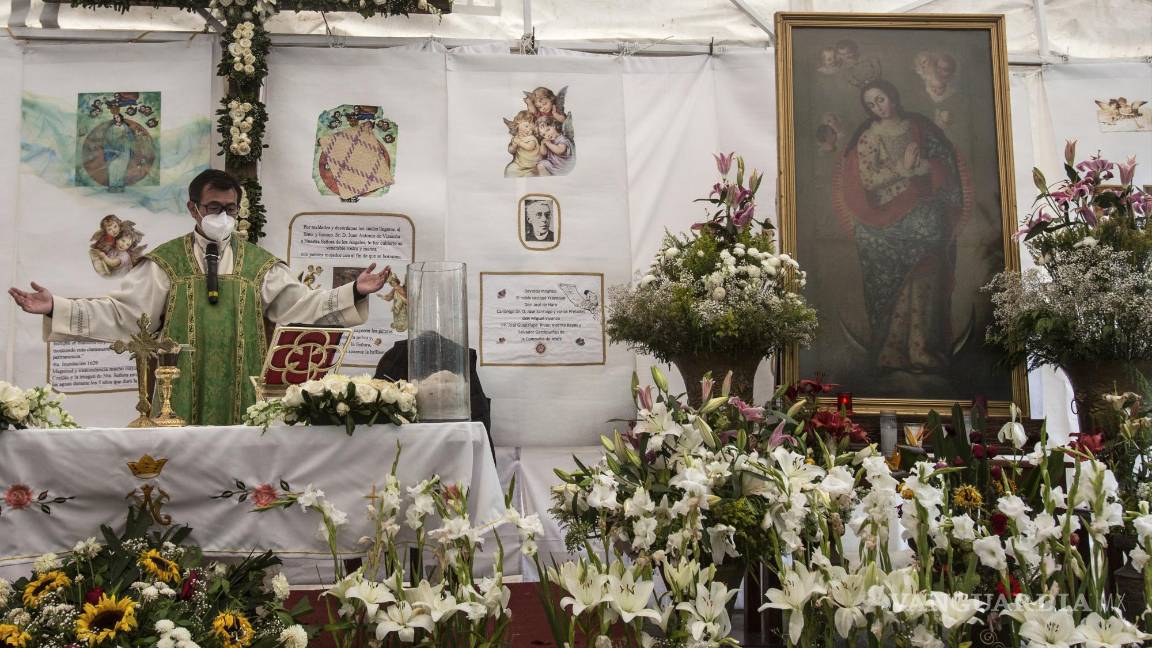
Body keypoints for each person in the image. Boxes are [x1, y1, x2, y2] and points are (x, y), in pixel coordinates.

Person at [9, 169, 393, 425]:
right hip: (178, 393)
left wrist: (353, 291)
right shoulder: (166, 263)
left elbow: (301, 306)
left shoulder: (258, 265)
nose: (222, 216)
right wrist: (56, 306)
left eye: (230, 208)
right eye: (213, 208)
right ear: (193, 208)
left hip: (246, 389)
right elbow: (125, 315)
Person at [832, 79, 969, 375]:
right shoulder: (869, 138)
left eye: (880, 99)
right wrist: (903, 169)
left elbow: (943, 162)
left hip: (924, 211)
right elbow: (868, 181)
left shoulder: (920, 128)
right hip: (885, 218)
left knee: (927, 270)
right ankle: (892, 352)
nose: (877, 107)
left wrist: (924, 168)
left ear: (893, 96)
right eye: (870, 104)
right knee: (899, 280)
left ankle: (922, 348)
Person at [503, 111, 541, 178]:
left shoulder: (531, 138)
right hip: (519, 164)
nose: (529, 129)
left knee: (529, 176)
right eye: (526, 126)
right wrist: (514, 146)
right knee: (509, 170)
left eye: (531, 127)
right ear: (517, 125)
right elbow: (511, 151)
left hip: (532, 166)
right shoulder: (516, 138)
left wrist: (519, 143)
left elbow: (529, 147)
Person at [103, 111, 134, 193]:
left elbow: (131, 138)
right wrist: (113, 149)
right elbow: (107, 140)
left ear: (121, 117)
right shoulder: (111, 128)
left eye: (118, 117)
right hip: (114, 151)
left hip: (125, 150)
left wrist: (127, 135)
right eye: (115, 118)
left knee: (122, 168)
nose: (117, 119)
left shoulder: (126, 127)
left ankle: (120, 185)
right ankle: (112, 186)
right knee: (113, 167)